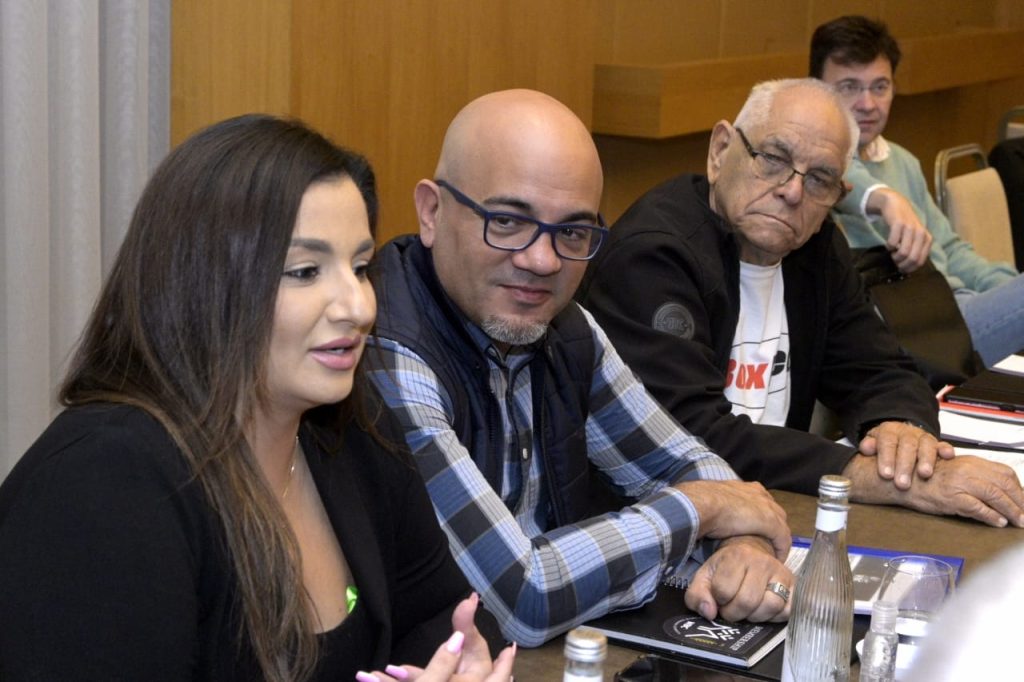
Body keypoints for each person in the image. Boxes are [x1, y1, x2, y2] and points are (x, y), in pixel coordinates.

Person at [0, 114, 512, 682]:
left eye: (361, 267)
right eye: (306, 271)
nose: (359, 306)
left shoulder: (354, 430)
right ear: (203, 284)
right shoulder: (104, 481)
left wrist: (462, 662)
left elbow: (444, 617)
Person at [365, 89, 794, 649]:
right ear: (431, 211)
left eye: (571, 232)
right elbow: (523, 597)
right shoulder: (385, 349)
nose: (542, 261)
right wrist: (704, 509)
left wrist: (743, 545)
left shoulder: (567, 328)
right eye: (507, 221)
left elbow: (686, 463)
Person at [577, 79, 1024, 530]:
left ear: (837, 196)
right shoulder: (654, 255)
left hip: (778, 508)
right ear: (720, 151)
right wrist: (872, 478)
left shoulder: (815, 248)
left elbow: (878, 368)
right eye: (773, 159)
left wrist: (901, 431)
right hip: (658, 522)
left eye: (819, 180)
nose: (792, 192)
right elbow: (688, 437)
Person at [809, 15, 1024, 367]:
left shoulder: (901, 160)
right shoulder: (812, 163)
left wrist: (1008, 289)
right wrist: (886, 199)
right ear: (817, 91)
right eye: (849, 87)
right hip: (916, 329)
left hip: (959, 305)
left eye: (880, 87)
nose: (868, 103)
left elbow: (950, 249)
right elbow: (838, 171)